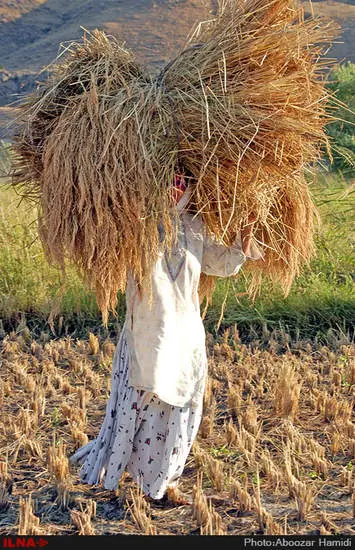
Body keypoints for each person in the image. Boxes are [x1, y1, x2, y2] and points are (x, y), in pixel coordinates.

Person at [70, 171, 264, 504]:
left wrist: (246, 227)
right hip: (146, 329)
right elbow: (101, 247)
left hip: (185, 333)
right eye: (170, 181)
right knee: (142, 402)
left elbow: (225, 264)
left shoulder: (196, 226)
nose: (176, 189)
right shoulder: (136, 224)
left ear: (190, 188)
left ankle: (166, 482)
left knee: (183, 406)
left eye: (183, 182)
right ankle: (120, 470)